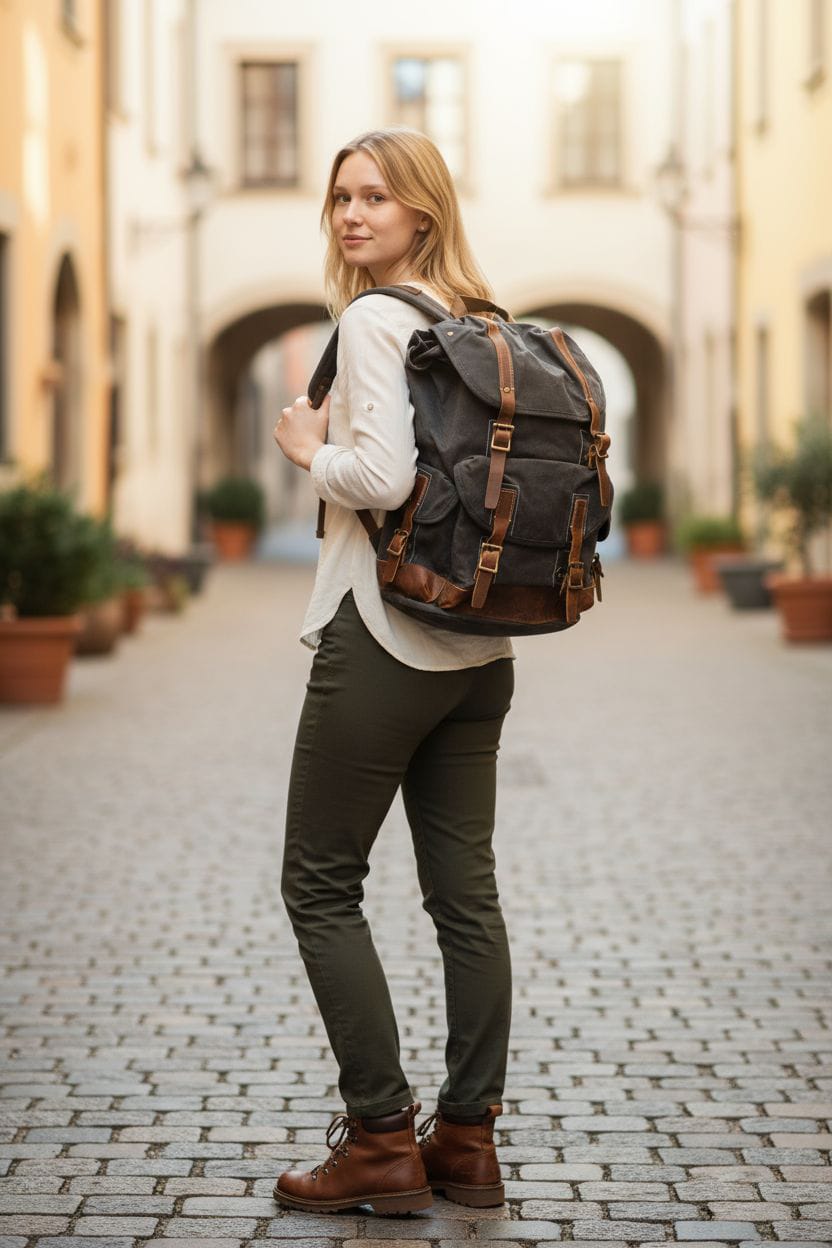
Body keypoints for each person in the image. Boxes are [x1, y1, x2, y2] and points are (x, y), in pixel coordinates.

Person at [272, 126, 515, 1217]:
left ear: (422, 211)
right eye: (341, 199)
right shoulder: (480, 319)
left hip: (384, 633)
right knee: (465, 897)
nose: (354, 216)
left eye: (376, 197)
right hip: (483, 648)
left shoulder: (374, 318)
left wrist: (301, 449)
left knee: (319, 885)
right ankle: (466, 1140)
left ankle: (379, 1143)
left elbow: (376, 474)